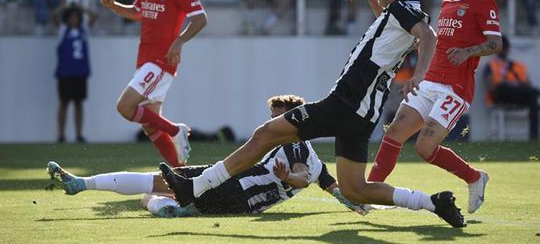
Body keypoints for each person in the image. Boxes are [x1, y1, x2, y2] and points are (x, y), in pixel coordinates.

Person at [160, 0, 467, 228]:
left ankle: (196, 187)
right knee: (354, 189)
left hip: (345, 104)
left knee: (264, 134)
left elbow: (428, 36)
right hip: (362, 114)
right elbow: (392, 34)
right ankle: (433, 202)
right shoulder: (401, 13)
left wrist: (420, 74)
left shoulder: (402, 10)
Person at [46, 95, 369, 217]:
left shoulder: (296, 145)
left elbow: (300, 174)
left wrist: (289, 178)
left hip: (236, 191)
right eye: (270, 115)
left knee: (154, 190)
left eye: (277, 116)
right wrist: (354, 201)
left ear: (294, 118)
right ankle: (83, 183)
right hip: (239, 196)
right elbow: (332, 187)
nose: (271, 123)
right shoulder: (312, 160)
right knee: (156, 185)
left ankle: (168, 206)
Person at [368, 0, 503, 215]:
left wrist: (468, 52)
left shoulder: (483, 2)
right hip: (429, 82)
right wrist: (419, 73)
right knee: (394, 133)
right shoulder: (448, 2)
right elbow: (432, 42)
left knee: (424, 147)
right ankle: (369, 191)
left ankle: (474, 177)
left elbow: (495, 43)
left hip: (455, 89)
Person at [100, 0, 207, 166]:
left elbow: (201, 19)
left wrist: (179, 42)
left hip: (161, 60)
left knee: (125, 106)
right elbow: (138, 12)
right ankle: (181, 175)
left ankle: (175, 130)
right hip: (145, 59)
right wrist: (114, 6)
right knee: (150, 125)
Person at [52, 0, 97, 143]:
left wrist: (79, 6)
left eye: (75, 16)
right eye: (70, 16)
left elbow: (94, 15)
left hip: (80, 72)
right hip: (65, 73)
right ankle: (61, 134)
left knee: (79, 104)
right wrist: (66, 6)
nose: (73, 19)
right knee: (64, 103)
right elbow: (54, 15)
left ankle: (79, 134)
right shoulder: (63, 30)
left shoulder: (84, 29)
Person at [484, 35, 539, 139]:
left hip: (518, 95)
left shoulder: (517, 66)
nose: (503, 50)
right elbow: (491, 88)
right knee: (503, 88)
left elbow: (528, 85)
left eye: (505, 47)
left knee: (533, 95)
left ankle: (534, 136)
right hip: (500, 95)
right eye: (501, 47)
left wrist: (517, 84)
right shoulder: (491, 66)